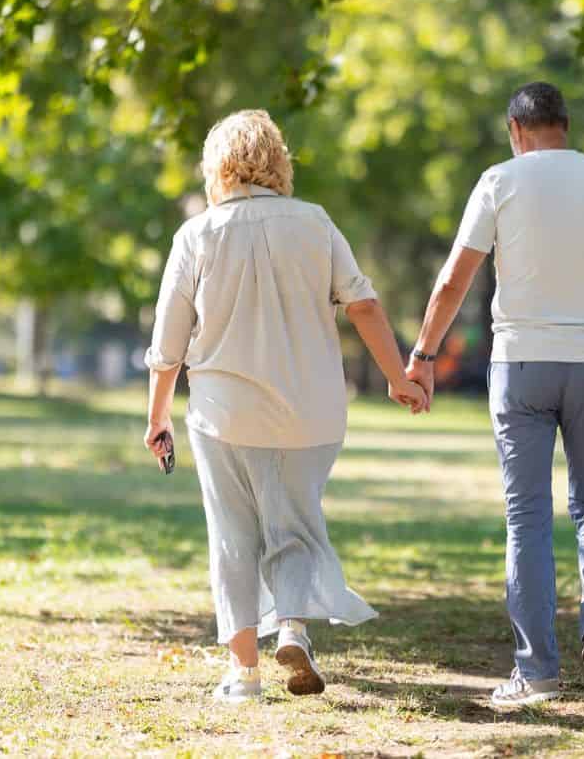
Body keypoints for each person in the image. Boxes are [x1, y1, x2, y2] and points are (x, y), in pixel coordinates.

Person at [405, 82, 584, 707]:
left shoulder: (499, 181)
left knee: (527, 516)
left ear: (516, 129)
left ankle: (536, 673)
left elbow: (457, 276)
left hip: (522, 365)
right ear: (565, 126)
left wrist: (425, 355)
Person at [143, 109, 427, 704]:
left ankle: (244, 675)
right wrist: (398, 377)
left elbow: (169, 345)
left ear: (215, 166)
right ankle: (293, 627)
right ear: (278, 161)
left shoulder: (197, 234)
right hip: (311, 411)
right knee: (295, 524)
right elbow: (365, 305)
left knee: (232, 536)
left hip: (225, 412)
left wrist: (158, 416)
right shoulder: (315, 224)